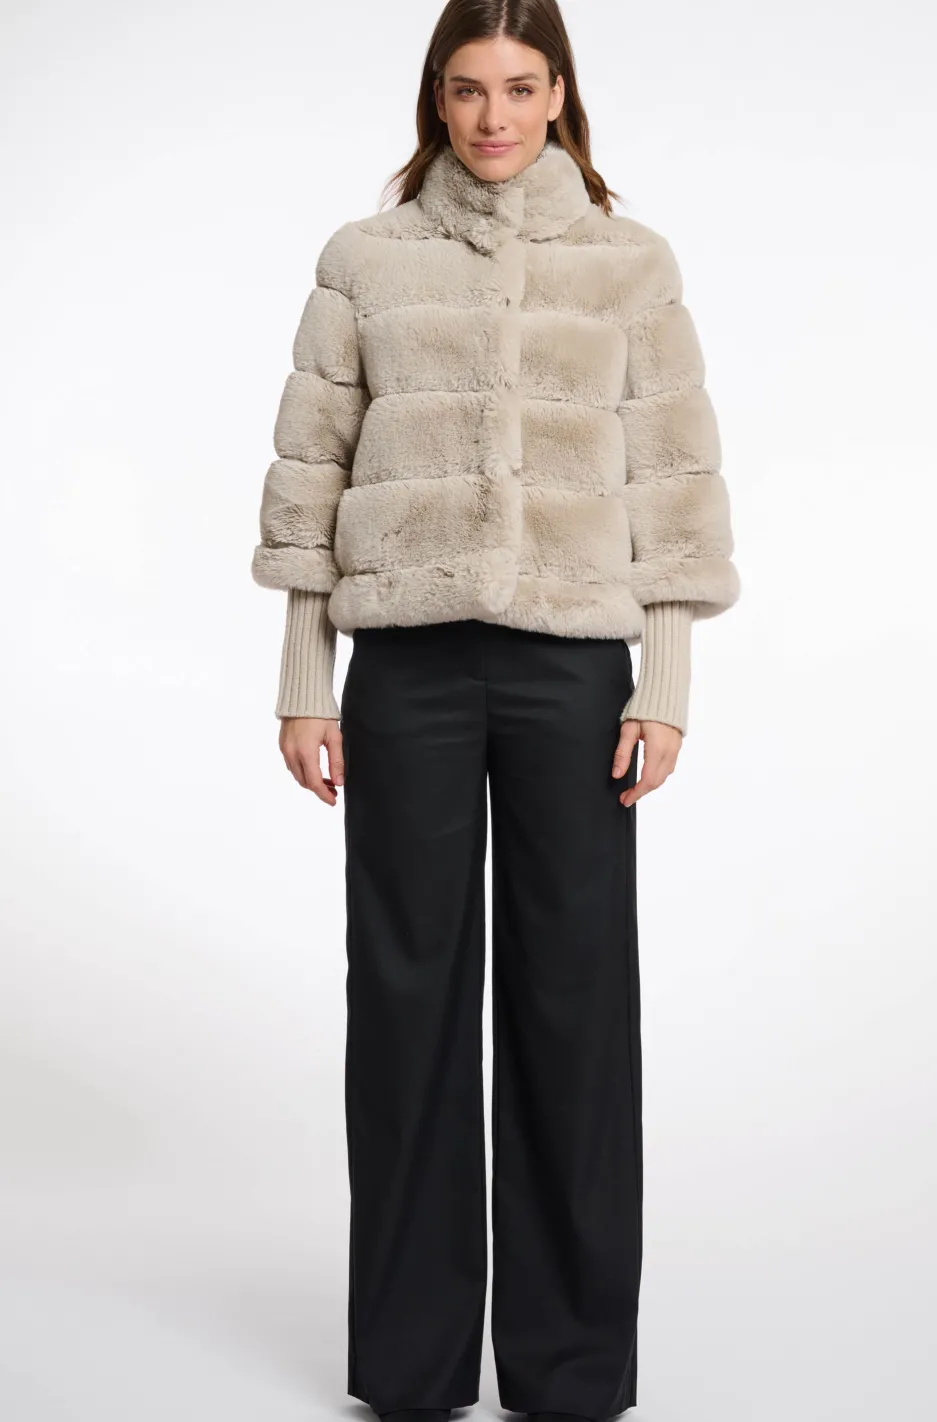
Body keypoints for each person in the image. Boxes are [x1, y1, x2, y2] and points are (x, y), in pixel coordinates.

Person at [250, 2, 739, 1419]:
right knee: (404, 999)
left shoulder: (632, 265)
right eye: (468, 89)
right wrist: (305, 676)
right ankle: (411, 1369)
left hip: (572, 671)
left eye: (522, 88)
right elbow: (312, 470)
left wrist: (666, 680)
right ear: (436, 98)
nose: (494, 117)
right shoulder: (365, 260)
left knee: (574, 999)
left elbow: (673, 478)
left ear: (561, 93)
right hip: (403, 667)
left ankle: (570, 1367)